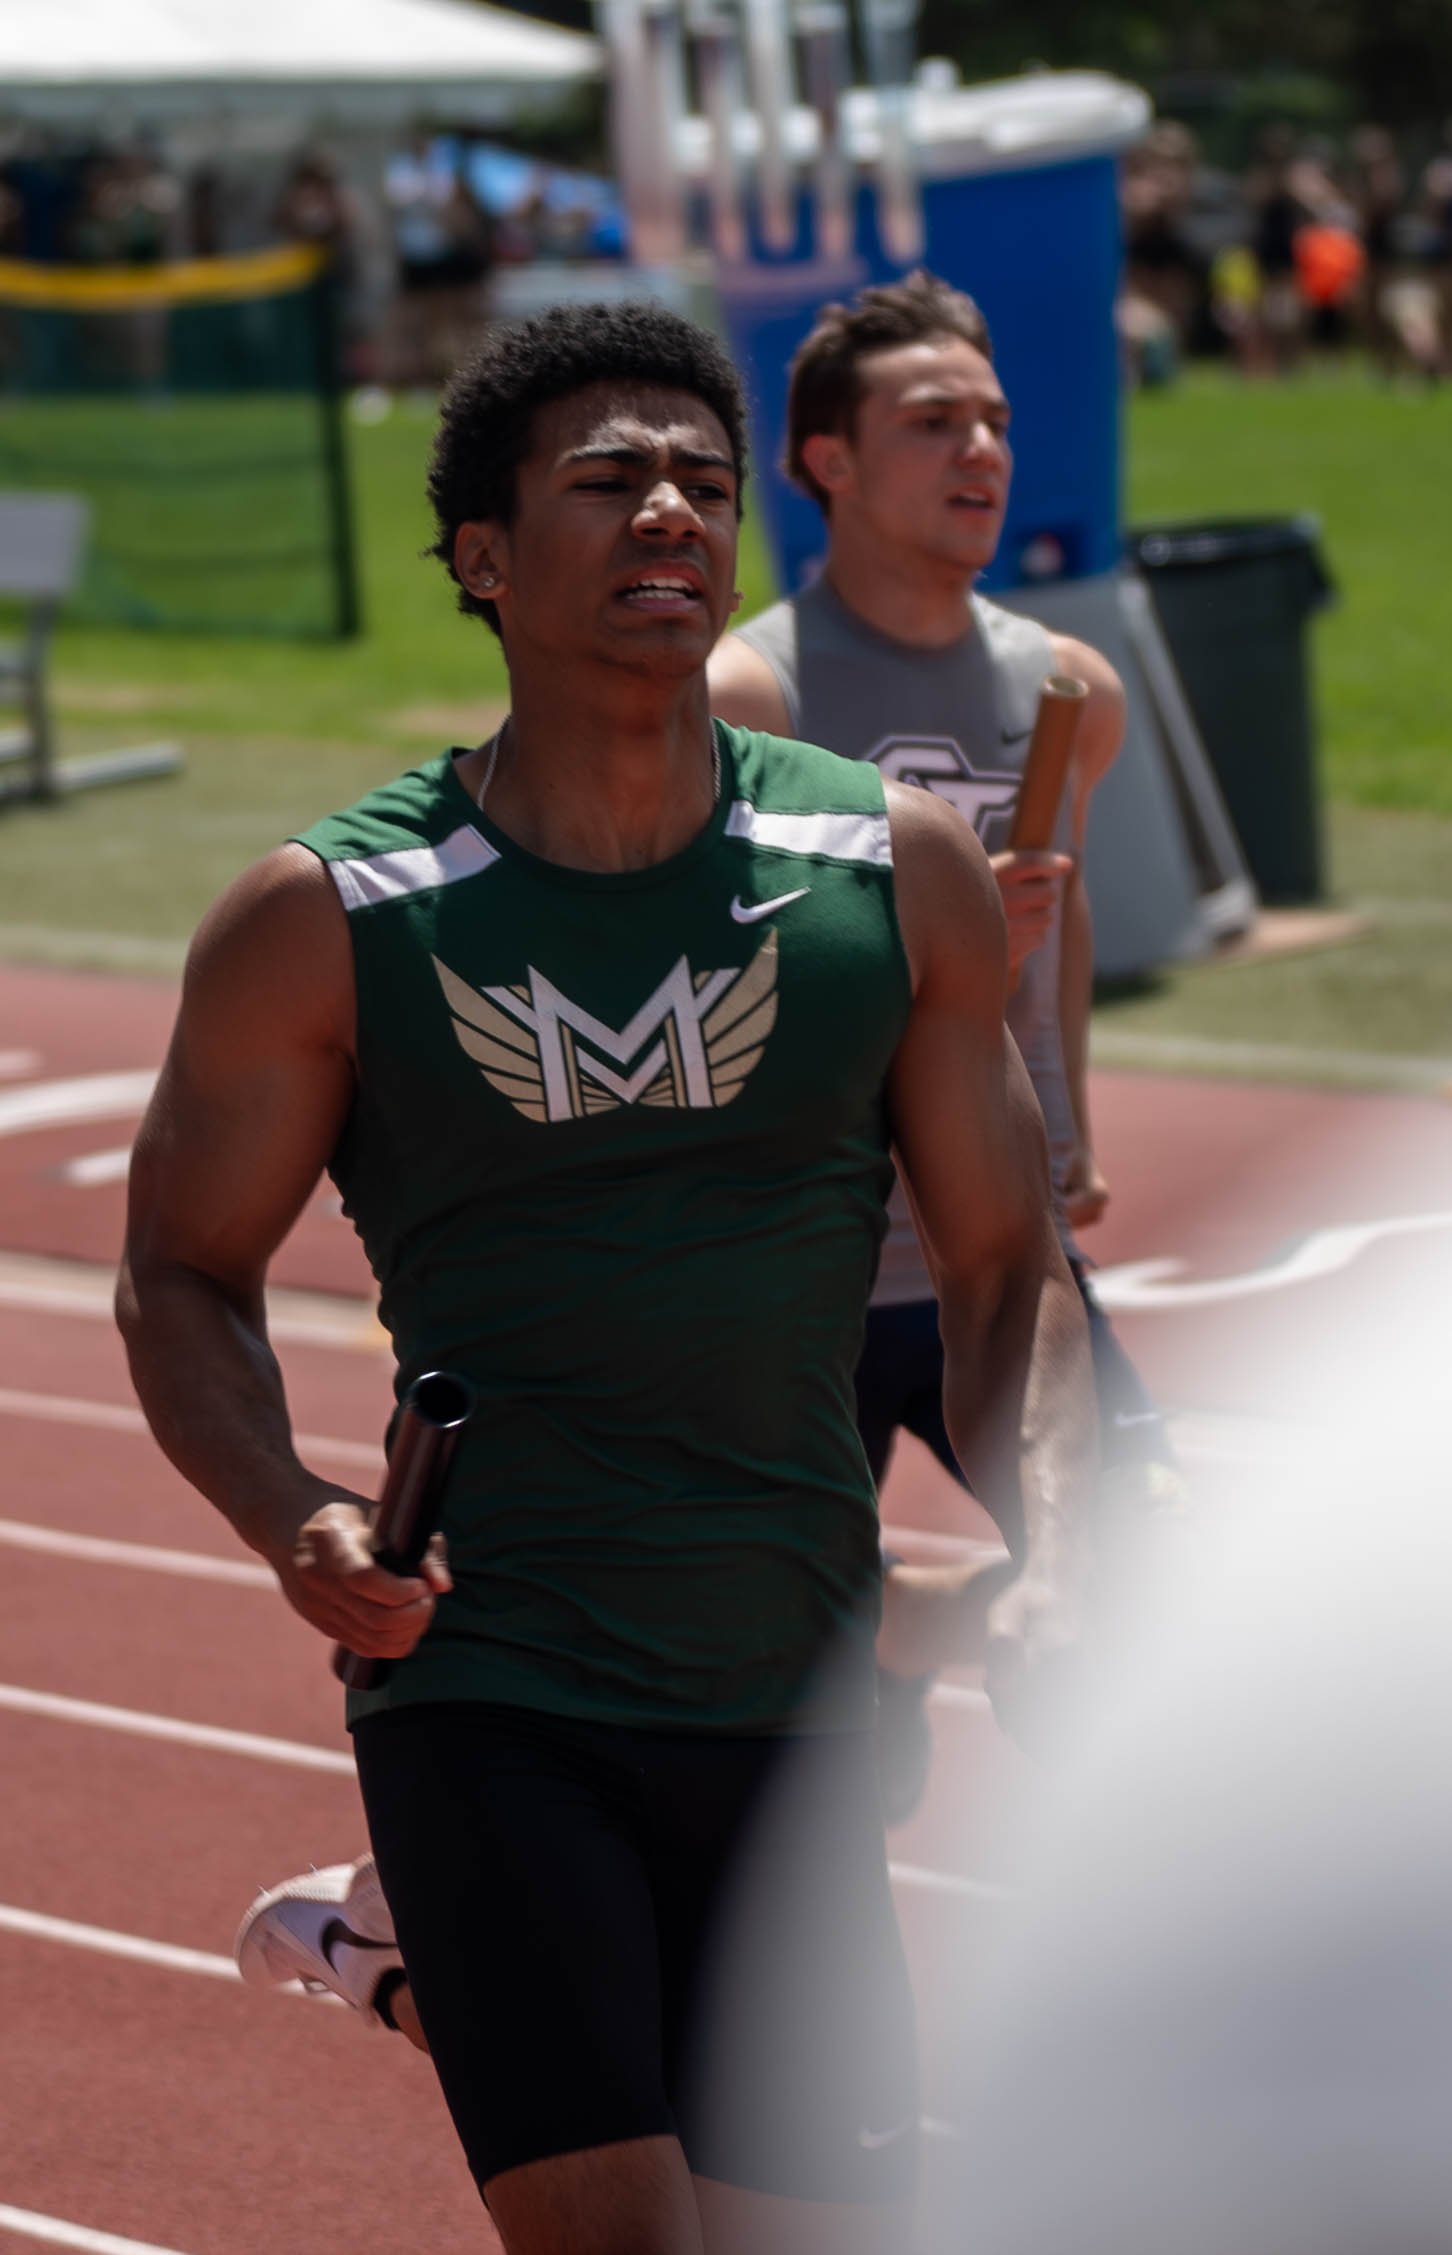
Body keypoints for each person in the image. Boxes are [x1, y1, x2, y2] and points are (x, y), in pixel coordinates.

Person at [117, 299, 1095, 2255]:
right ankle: (434, 1947)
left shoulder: (878, 869)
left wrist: (1056, 1537)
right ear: (480, 558)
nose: (668, 511)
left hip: (795, 1702)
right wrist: (297, 1511)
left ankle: (408, 1979)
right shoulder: (334, 915)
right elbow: (179, 1267)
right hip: (497, 1683)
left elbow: (1002, 1266)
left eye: (701, 484)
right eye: (606, 480)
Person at [707, 272, 1177, 1685]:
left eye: (994, 420)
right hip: (812, 1271)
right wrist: (955, 959)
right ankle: (889, 1640)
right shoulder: (752, 697)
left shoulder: (1068, 690)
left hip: (1001, 1238)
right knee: (780, 1692)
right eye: (932, 422)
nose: (980, 449)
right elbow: (728, 996)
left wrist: (1070, 1120)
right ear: (824, 464)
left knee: (1137, 1602)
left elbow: (1065, 925)